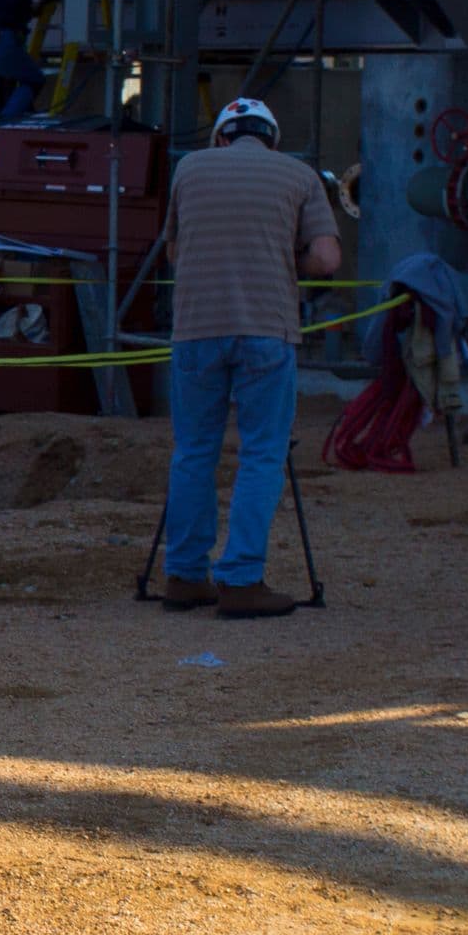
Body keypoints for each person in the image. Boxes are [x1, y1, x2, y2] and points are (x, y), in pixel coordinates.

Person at [159, 96, 342, 619]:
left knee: (193, 451)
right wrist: (284, 257)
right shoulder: (299, 174)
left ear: (221, 136)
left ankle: (184, 576)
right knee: (262, 452)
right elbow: (326, 258)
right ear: (272, 139)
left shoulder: (189, 168)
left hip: (196, 328)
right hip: (266, 328)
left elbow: (173, 251)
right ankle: (240, 580)